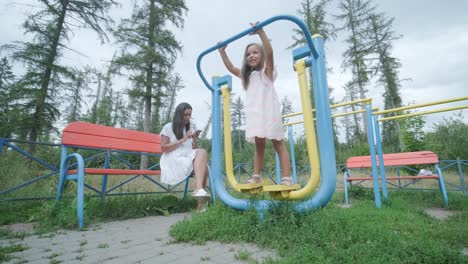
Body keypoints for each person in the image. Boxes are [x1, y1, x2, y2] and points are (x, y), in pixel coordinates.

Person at [218, 22, 293, 186]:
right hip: (255, 116)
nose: (251, 56)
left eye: (255, 53)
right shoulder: (247, 76)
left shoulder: (266, 72)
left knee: (278, 144)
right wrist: (222, 52)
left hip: (269, 113)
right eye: (248, 54)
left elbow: (270, 52)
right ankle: (256, 176)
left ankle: (287, 178)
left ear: (262, 56)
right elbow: (231, 67)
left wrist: (261, 32)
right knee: (259, 147)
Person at [160, 102, 210, 211]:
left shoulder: (188, 129)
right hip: (172, 159)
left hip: (186, 157)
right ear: (179, 114)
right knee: (204, 167)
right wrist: (183, 139)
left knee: (202, 153)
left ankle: (199, 192)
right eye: (185, 114)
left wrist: (193, 141)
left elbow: (192, 150)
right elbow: (163, 148)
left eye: (189, 115)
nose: (187, 117)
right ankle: (200, 201)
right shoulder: (168, 127)